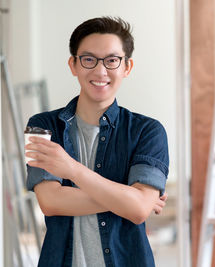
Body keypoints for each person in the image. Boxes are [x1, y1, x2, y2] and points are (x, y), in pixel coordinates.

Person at [25, 17, 169, 267]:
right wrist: (130, 198)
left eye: (112, 60)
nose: (100, 71)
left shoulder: (149, 131)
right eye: (89, 59)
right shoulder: (41, 125)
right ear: (74, 64)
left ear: (127, 67)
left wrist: (70, 169)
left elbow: (138, 211)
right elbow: (50, 203)